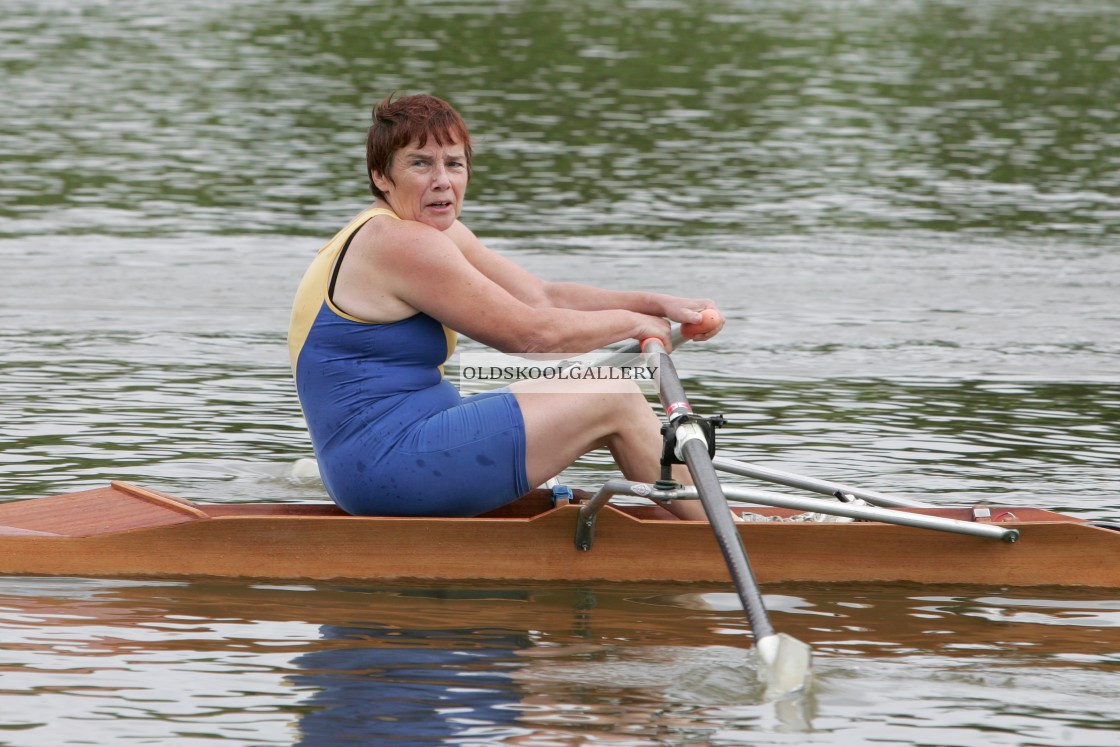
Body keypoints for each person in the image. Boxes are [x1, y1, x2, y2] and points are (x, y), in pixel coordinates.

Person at [288, 93, 723, 518]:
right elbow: (530, 336)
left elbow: (541, 297)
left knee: (595, 386)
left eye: (454, 163)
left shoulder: (427, 230)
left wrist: (656, 305)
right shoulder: (399, 242)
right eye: (421, 163)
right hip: (386, 463)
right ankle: (719, 533)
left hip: (392, 450)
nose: (442, 179)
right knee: (611, 393)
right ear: (381, 176)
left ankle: (691, 529)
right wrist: (633, 324)